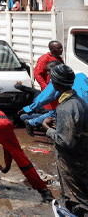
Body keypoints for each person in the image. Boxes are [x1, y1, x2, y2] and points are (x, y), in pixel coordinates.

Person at [42, 64, 88, 215]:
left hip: (71, 161)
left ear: (55, 84)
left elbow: (66, 141)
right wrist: (60, 126)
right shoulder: (78, 101)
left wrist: (48, 130)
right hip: (82, 157)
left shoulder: (66, 107)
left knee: (76, 198)